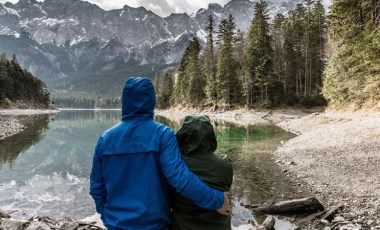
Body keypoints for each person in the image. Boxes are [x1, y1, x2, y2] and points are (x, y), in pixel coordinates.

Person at [89, 77, 230, 230]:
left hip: (116, 225)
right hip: (155, 225)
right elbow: (180, 179)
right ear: (151, 101)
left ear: (125, 101)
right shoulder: (162, 134)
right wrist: (217, 200)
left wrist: (107, 215)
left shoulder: (105, 139)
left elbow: (97, 187)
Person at [171, 115, 233, 230]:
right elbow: (227, 191)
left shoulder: (175, 166)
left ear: (181, 135)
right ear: (210, 136)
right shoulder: (225, 164)